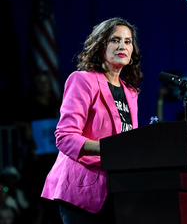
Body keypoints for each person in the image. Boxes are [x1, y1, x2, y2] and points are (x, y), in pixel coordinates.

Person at [41, 17, 143, 223]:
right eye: (115, 40)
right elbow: (66, 137)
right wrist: (109, 149)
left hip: (118, 190)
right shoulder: (82, 80)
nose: (122, 45)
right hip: (81, 190)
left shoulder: (131, 92)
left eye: (127, 41)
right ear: (100, 46)